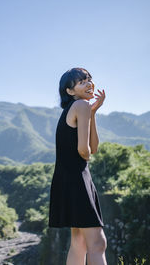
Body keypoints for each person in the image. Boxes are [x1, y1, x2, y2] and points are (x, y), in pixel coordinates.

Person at [48, 68, 107, 265]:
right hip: (78, 179)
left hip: (68, 179)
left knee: (79, 243)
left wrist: (93, 112)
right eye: (82, 82)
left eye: (90, 79)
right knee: (97, 243)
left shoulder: (80, 107)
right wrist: (86, 152)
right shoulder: (80, 105)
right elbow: (85, 151)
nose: (89, 83)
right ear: (70, 91)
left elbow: (94, 148)